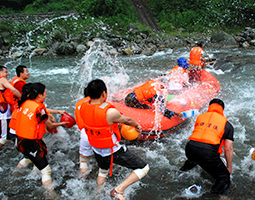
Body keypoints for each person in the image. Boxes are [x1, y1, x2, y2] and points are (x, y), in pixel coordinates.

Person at [78, 79, 149, 200]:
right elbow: (127, 120)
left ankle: (98, 194)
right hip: (112, 150)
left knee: (103, 171)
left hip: (96, 148)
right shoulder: (109, 112)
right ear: (103, 94)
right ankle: (118, 190)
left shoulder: (82, 107)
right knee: (143, 168)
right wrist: (137, 126)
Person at [15, 83, 68, 189]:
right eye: (45, 93)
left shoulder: (25, 103)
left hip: (20, 141)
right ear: (39, 95)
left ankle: (15, 175)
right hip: (31, 142)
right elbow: (50, 125)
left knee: (29, 158)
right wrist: (62, 124)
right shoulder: (39, 108)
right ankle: (50, 194)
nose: (46, 95)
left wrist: (57, 111)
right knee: (46, 170)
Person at [180, 98, 234, 195]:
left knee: (193, 159)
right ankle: (213, 195)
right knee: (224, 177)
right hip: (207, 152)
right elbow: (228, 148)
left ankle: (180, 173)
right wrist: (229, 167)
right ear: (222, 109)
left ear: (210, 107)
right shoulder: (227, 124)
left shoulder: (200, 117)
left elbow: (199, 136)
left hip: (190, 147)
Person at [0, 66, 21, 149]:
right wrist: (23, 98)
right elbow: (14, 90)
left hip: (3, 110)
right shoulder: (2, 80)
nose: (7, 74)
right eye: (5, 72)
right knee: (3, 137)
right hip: (3, 112)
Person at [74, 87, 93, 176]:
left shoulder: (78, 103)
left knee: (83, 161)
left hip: (84, 133)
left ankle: (83, 179)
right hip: (97, 134)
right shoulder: (95, 102)